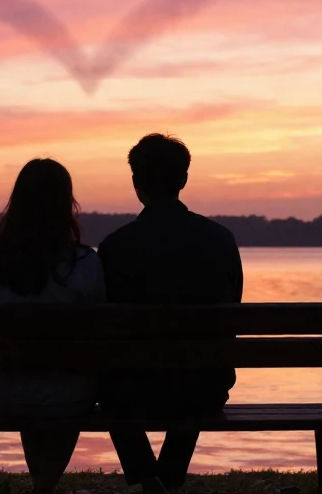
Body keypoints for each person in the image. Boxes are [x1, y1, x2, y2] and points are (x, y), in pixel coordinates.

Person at [98, 134, 243, 494]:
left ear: (136, 182)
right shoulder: (220, 240)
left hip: (130, 393)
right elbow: (232, 314)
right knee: (200, 367)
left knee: (106, 386)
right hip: (205, 390)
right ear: (184, 179)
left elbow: (102, 326)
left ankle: (151, 480)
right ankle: (168, 479)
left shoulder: (115, 246)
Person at [0, 158, 106, 494]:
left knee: (27, 374)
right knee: (63, 389)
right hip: (71, 396)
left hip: (4, 393)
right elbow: (100, 329)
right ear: (66, 205)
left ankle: (40, 488)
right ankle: (43, 489)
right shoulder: (85, 263)